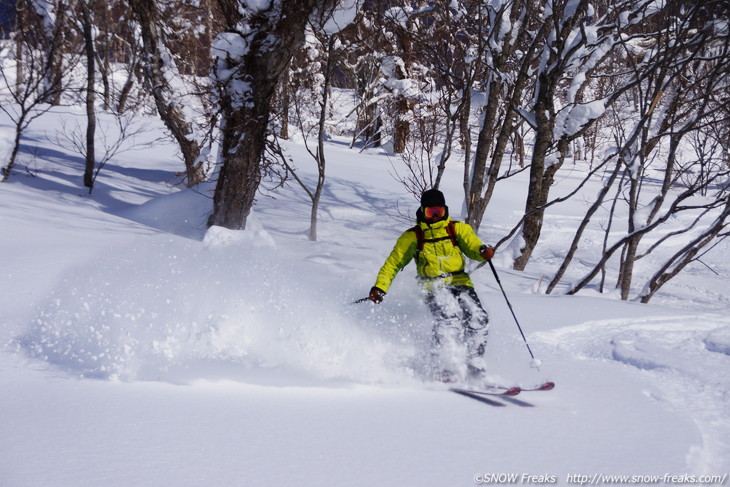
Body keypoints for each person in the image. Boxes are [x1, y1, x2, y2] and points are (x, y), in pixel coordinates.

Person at [368, 188, 495, 383]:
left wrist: (483, 251)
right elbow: (393, 264)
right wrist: (380, 287)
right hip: (432, 286)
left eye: (439, 212)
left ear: (445, 210)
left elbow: (473, 248)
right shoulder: (413, 236)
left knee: (479, 318)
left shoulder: (457, 229)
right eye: (430, 212)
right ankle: (443, 366)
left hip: (460, 282)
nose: (435, 217)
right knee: (448, 319)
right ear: (423, 211)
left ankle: (474, 362)